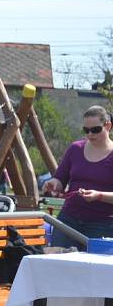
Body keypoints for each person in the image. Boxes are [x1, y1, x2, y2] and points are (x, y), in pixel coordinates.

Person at [43, 105, 113, 248]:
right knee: (60, 264)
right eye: (86, 130)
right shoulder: (75, 148)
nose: (90, 134)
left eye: (95, 129)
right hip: (68, 219)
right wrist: (54, 183)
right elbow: (60, 178)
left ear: (108, 126)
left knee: (94, 268)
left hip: (103, 224)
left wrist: (99, 195)